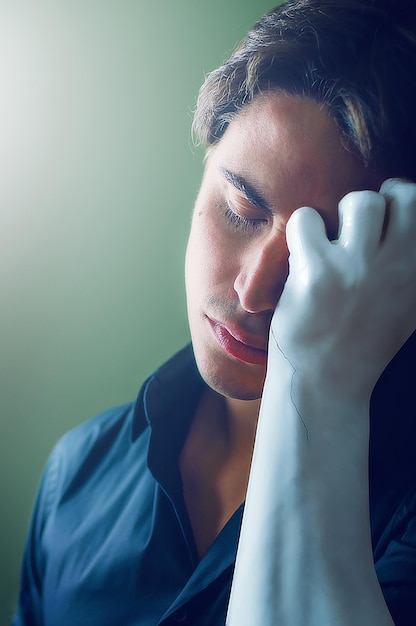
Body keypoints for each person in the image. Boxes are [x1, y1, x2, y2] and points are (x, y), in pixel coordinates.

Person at [12, 0, 416, 624]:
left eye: (319, 254)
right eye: (242, 211)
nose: (255, 292)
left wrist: (317, 385)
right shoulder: (76, 474)